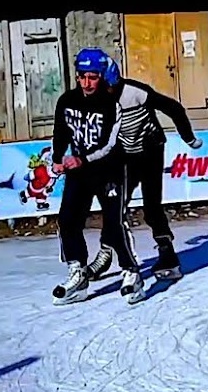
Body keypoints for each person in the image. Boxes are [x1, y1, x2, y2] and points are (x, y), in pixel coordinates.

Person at [85, 57, 202, 282]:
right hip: (123, 156)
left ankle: (167, 253)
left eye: (97, 81)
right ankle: (106, 255)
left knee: (151, 205)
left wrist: (189, 138)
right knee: (114, 206)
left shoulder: (134, 92)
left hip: (150, 150)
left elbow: (173, 108)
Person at [51, 48, 144, 305]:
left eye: (92, 77)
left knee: (113, 223)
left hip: (109, 170)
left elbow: (109, 145)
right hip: (79, 173)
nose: (87, 83)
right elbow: (61, 133)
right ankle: (77, 272)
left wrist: (81, 159)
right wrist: (58, 159)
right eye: (82, 76)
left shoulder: (111, 104)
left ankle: (131, 272)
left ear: (101, 76)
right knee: (68, 219)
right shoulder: (66, 101)